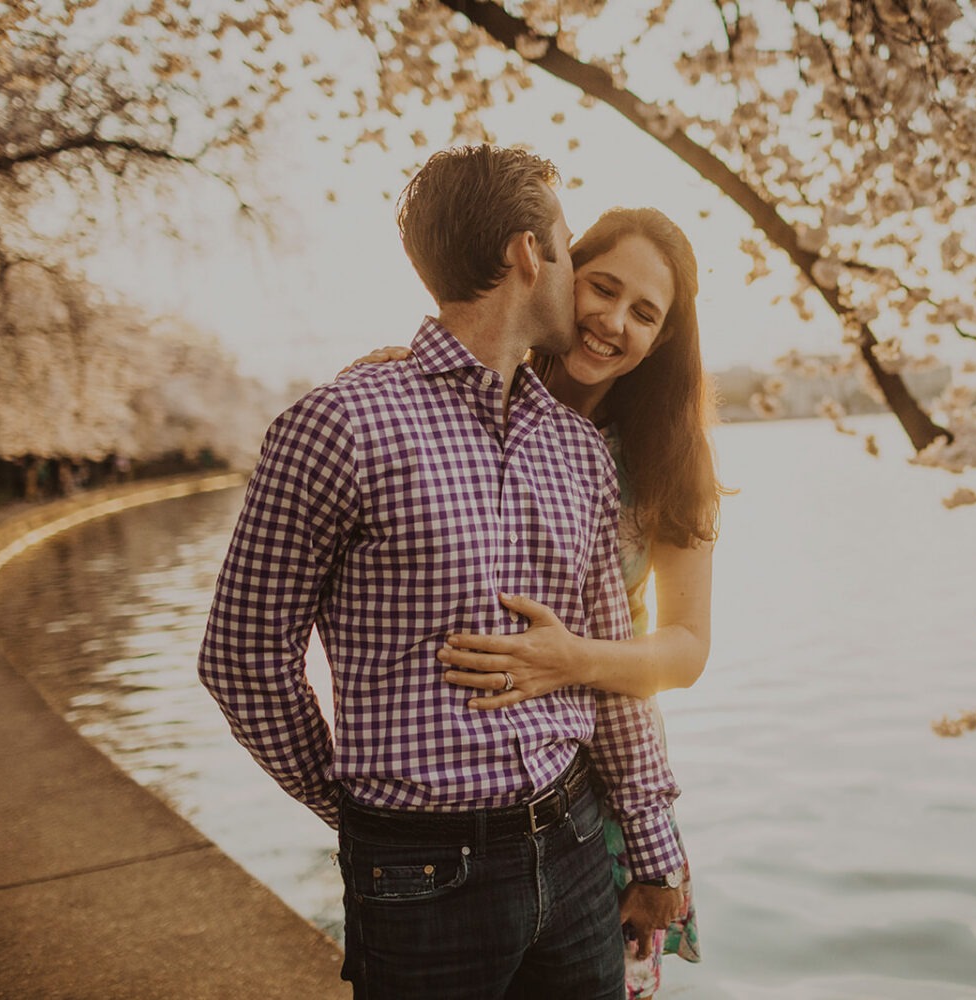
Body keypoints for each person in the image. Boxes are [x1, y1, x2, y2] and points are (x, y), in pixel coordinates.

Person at [198, 145, 686, 1000]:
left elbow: (610, 673)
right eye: (568, 250)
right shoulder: (340, 425)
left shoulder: (578, 450)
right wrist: (358, 808)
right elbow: (243, 659)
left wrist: (652, 849)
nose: (580, 286)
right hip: (421, 878)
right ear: (528, 255)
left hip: (576, 845)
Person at [348, 204, 724, 1000]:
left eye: (644, 313)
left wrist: (572, 660)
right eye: (603, 288)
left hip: (612, 774)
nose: (612, 322)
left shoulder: (667, 457)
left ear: (662, 339)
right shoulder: (448, 402)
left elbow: (688, 648)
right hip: (453, 795)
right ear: (557, 273)